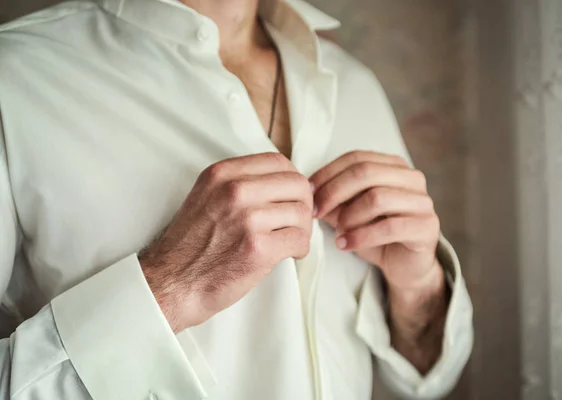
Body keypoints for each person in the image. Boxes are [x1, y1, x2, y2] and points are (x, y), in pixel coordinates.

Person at [0, 0, 473, 399]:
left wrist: (419, 292)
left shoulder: (354, 86)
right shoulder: (16, 75)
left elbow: (426, 379)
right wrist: (169, 287)